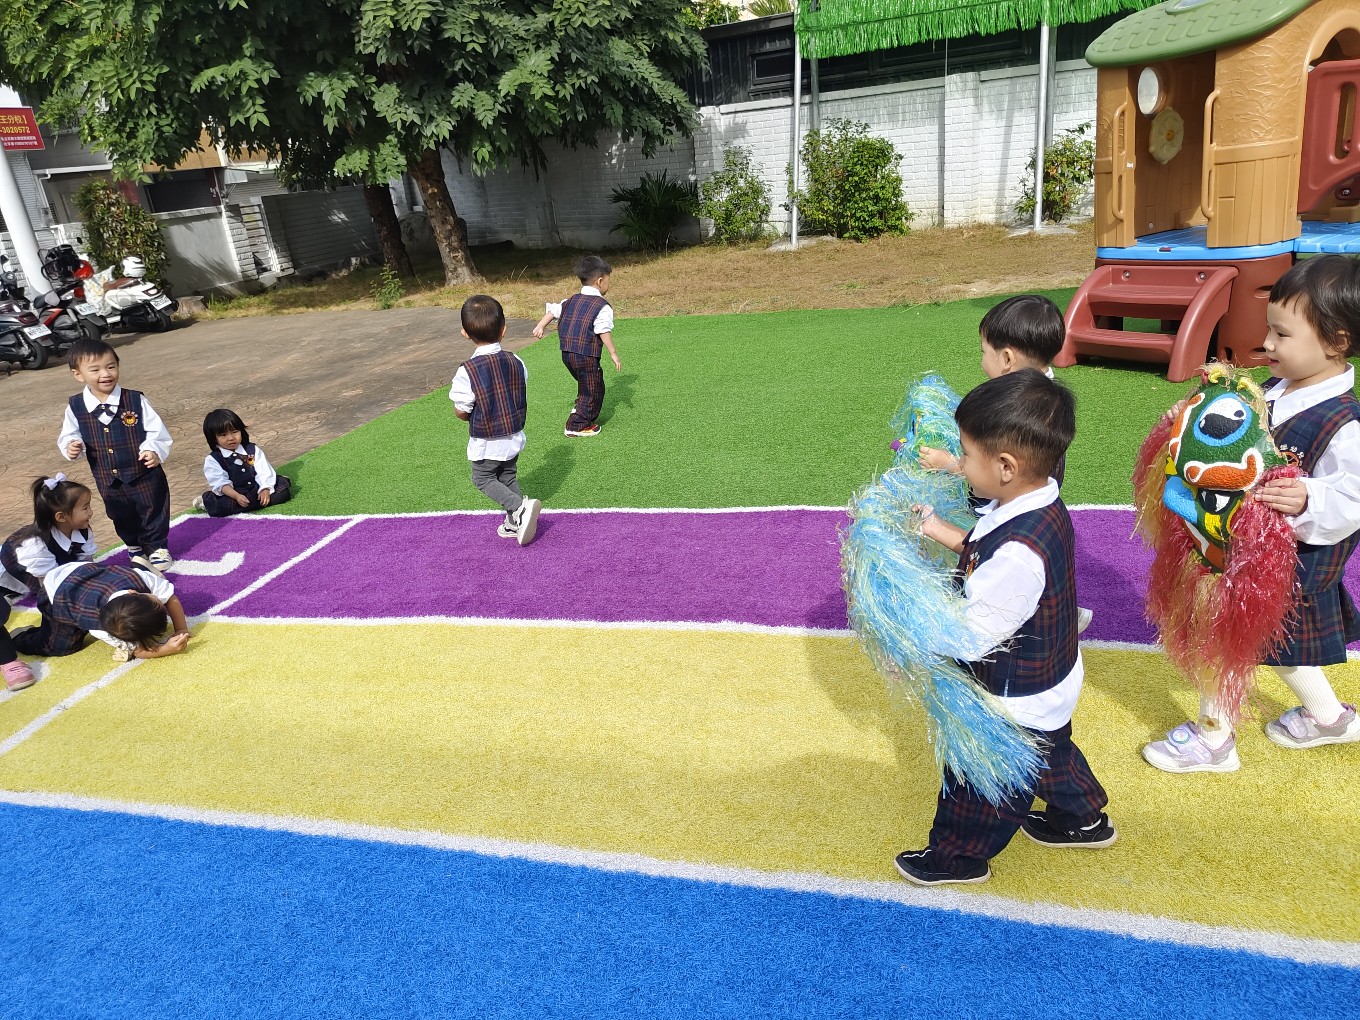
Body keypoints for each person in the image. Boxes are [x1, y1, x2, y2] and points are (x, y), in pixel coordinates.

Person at [1143, 255, 1360, 772]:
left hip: (1288, 566)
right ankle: (1329, 719)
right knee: (1278, 645)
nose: (1267, 344)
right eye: (1269, 330)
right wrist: (1186, 423)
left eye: (1282, 335)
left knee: (1223, 637)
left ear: (1335, 342)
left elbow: (1353, 499)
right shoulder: (1268, 393)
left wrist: (1309, 499)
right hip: (1237, 551)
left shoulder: (1344, 424)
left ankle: (1213, 739)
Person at [897, 370, 1114, 886]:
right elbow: (981, 546)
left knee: (980, 778)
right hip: (1048, 675)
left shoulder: (1019, 551)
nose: (961, 463)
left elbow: (972, 635)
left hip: (1013, 694)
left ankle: (957, 859)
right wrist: (933, 526)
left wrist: (909, 620)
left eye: (966, 455)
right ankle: (1083, 818)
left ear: (1006, 466)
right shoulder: (1032, 502)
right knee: (1048, 753)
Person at [918, 294, 1093, 633]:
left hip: (1010, 657)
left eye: (984, 351)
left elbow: (971, 633)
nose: (981, 361)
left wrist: (950, 464)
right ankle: (1062, 610)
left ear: (1008, 358)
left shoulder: (1014, 546)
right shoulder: (1044, 403)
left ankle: (1062, 614)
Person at [57, 338, 174, 574]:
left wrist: (153, 449)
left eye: (111, 366)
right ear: (78, 375)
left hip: (144, 473)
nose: (106, 374)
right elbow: (69, 434)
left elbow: (156, 430)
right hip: (107, 477)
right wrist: (71, 446)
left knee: (153, 508)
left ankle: (157, 547)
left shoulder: (135, 400)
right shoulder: (76, 407)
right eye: (95, 369)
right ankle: (134, 545)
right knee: (119, 513)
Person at [451, 295, 541, 545]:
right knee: (507, 475)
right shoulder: (516, 360)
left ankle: (519, 508)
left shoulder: (467, 371)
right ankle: (513, 522)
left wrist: (465, 414)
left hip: (487, 440)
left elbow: (462, 410)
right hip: (514, 433)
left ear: (465, 333)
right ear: (504, 330)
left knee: (482, 478)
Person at [1, 474, 99, 662]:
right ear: (61, 517)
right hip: (16, 574)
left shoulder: (82, 530)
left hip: (51, 570)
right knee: (61, 643)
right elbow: (50, 589)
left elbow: (87, 565)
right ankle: (21, 637)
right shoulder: (34, 547)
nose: (91, 512)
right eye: (85, 508)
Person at [532, 254, 621, 438]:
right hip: (586, 355)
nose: (608, 284)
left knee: (585, 382)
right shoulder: (602, 306)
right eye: (608, 280)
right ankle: (577, 424)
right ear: (600, 281)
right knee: (594, 389)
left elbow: (553, 311)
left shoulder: (570, 300)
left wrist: (540, 326)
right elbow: (603, 330)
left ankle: (581, 404)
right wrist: (613, 353)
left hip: (567, 353)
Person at [42, 560, 190, 661]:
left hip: (84, 570)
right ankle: (27, 638)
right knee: (60, 647)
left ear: (133, 593)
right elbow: (138, 651)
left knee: (159, 589)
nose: (162, 602)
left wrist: (181, 629)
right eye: (159, 603)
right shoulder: (100, 627)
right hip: (57, 592)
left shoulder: (139, 578)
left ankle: (144, 568)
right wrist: (165, 649)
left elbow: (171, 598)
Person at [192, 408, 292, 517]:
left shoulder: (251, 450)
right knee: (220, 508)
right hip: (233, 494)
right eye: (223, 435)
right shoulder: (214, 459)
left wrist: (265, 489)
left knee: (282, 495)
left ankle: (273, 483)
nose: (231, 438)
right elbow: (221, 483)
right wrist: (236, 496)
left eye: (235, 432)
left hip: (255, 488)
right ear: (214, 438)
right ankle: (205, 502)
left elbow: (262, 470)